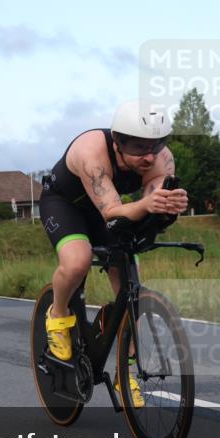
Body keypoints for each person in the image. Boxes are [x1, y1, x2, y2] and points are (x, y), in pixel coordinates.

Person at [39, 100, 188, 407]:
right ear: (118, 142)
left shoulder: (162, 160)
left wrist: (167, 209)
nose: (149, 156)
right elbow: (112, 211)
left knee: (130, 289)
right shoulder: (91, 151)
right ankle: (57, 316)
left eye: (155, 146)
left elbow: (150, 209)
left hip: (115, 208)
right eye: (137, 147)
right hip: (67, 206)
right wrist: (147, 205)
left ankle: (126, 372)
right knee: (78, 261)